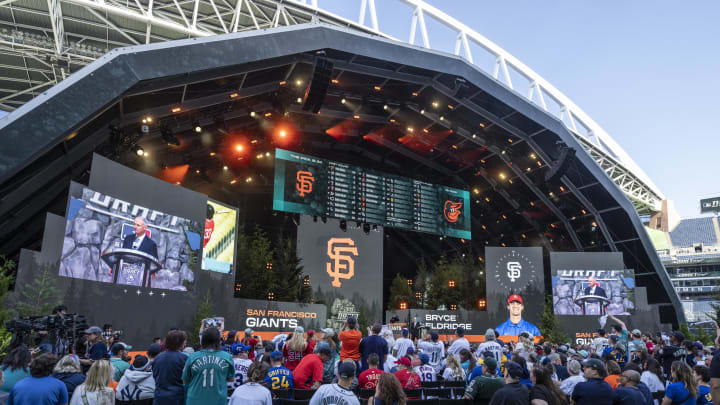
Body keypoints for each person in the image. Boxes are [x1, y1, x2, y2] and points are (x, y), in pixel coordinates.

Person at [182, 328, 234, 405]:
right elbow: (231, 378)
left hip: (195, 400)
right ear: (218, 340)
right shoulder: (227, 357)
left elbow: (185, 380)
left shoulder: (193, 356)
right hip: (218, 400)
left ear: (203, 340)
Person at [152, 329, 187, 405]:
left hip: (159, 397)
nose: (185, 343)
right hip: (177, 398)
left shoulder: (157, 358)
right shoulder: (184, 358)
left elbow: (155, 376)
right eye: (184, 341)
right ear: (180, 342)